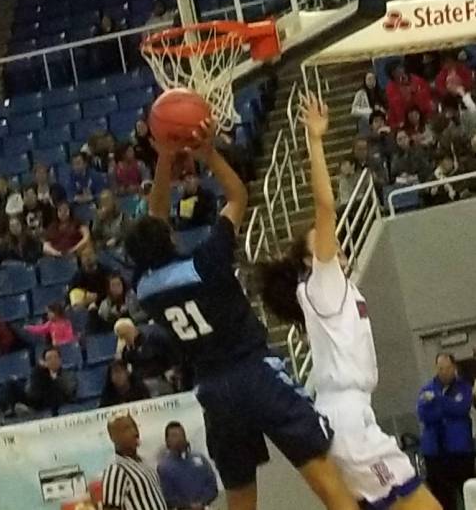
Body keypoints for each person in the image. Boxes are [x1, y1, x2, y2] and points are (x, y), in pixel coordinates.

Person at [125, 121, 359, 510]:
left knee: (240, 494)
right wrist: (209, 155)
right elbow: (236, 196)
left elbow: (155, 213)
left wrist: (164, 157)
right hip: (253, 370)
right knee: (321, 471)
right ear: (168, 237)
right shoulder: (207, 261)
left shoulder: (145, 288)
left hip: (213, 390)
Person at [253, 94, 441, 510]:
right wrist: (316, 142)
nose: (335, 247)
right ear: (310, 260)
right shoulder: (322, 284)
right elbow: (325, 206)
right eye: (324, 245)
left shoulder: (334, 291)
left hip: (349, 418)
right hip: (348, 421)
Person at [417, 353, 474, 510]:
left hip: (460, 453)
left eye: (448, 368)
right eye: (441, 368)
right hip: (435, 455)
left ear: (454, 367)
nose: (444, 372)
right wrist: (446, 407)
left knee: (468, 493)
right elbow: (424, 414)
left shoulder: (464, 387)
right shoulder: (426, 389)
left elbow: (461, 408)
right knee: (443, 500)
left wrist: (438, 400)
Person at [102, 413, 167, 510]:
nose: (135, 432)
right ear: (113, 437)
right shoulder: (116, 469)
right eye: (127, 429)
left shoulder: (144, 462)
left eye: (135, 426)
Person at [0, 346, 77, 417]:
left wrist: (53, 377)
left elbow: (68, 390)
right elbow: (30, 390)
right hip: (36, 397)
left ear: (60, 360)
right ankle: (2, 410)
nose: (52, 360)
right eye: (49, 358)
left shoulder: (68, 375)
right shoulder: (40, 372)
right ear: (45, 362)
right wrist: (39, 370)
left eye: (55, 357)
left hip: (54, 399)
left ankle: (29, 410)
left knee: (52, 385)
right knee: (10, 383)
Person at [157, 421, 218, 509]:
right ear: (167, 441)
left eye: (181, 435)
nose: (179, 439)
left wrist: (202, 502)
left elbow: (212, 485)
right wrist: (189, 506)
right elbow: (168, 496)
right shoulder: (163, 467)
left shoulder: (200, 459)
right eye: (174, 436)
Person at [115, 318, 180, 398]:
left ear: (130, 331)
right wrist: (123, 351)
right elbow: (124, 363)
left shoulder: (153, 335)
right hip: (143, 380)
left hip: (162, 376)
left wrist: (173, 369)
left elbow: (172, 351)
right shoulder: (126, 347)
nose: (124, 340)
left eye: (125, 336)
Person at [386, 63, 434, 129]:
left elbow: (426, 98)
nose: (399, 72)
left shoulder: (417, 80)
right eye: (395, 72)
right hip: (404, 122)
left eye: (400, 69)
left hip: (422, 117)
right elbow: (395, 107)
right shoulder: (390, 88)